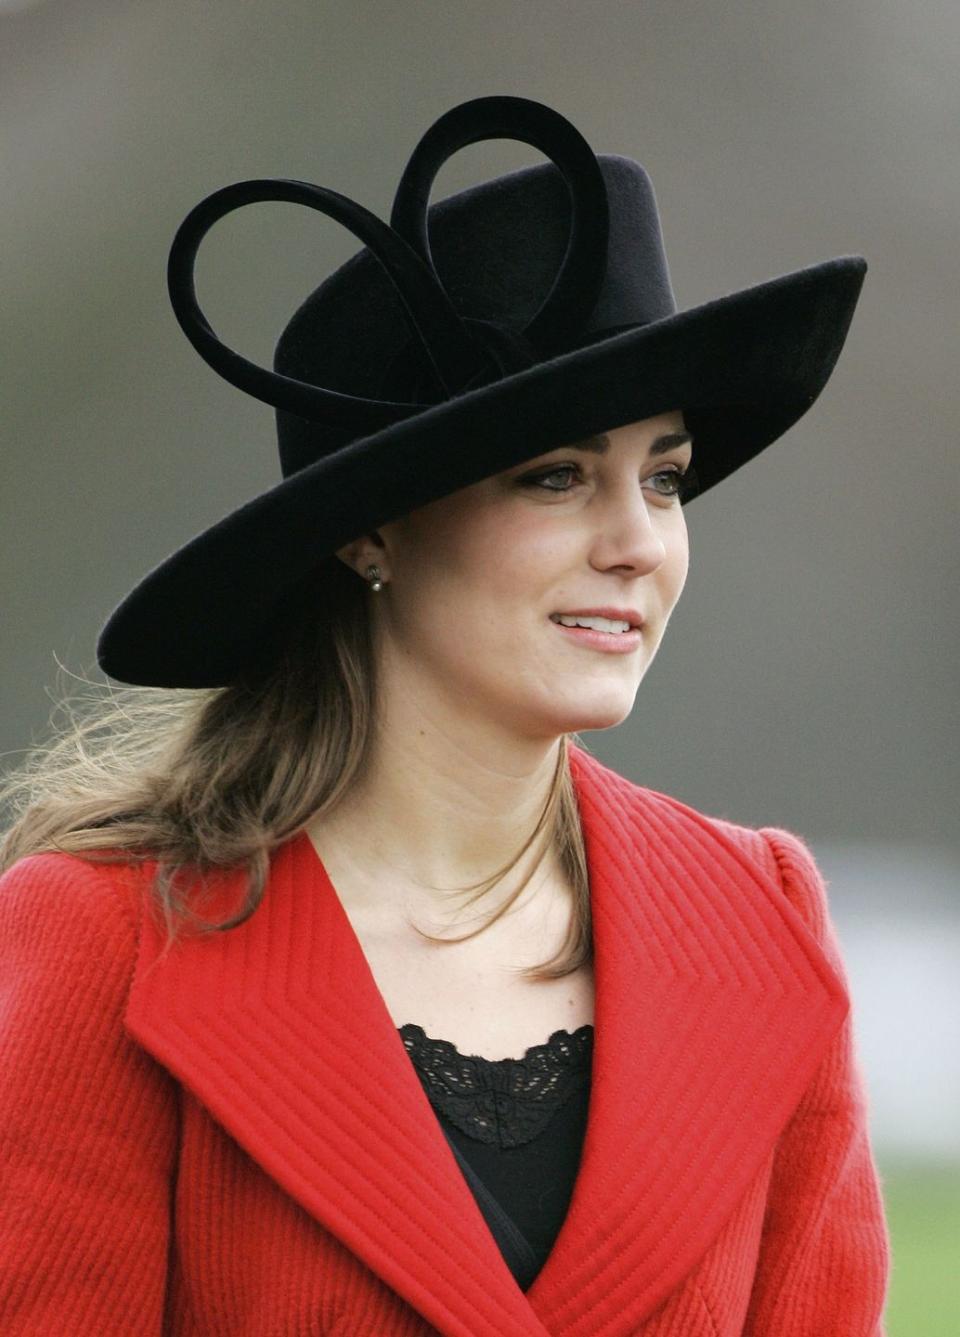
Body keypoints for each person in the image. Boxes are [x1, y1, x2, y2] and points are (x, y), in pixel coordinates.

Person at [0, 95, 890, 1335]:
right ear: (371, 530)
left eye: (667, 477)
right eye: (557, 475)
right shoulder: (107, 937)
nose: (640, 544)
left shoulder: (763, 919)